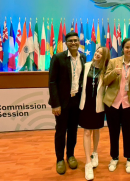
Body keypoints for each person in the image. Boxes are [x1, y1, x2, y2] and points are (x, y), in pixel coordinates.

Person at [48, 32, 86, 175]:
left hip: (76, 101)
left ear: (79, 42)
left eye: (76, 40)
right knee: (60, 131)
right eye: (70, 41)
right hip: (62, 103)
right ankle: (59, 159)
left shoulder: (83, 57)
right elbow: (52, 82)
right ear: (66, 43)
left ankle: (70, 155)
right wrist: (55, 104)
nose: (73, 43)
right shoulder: (58, 58)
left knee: (73, 131)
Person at [103, 38, 130, 174]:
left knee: (128, 132)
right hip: (112, 104)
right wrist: (115, 72)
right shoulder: (114, 62)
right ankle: (114, 157)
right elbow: (105, 81)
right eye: (127, 47)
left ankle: (129, 158)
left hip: (127, 105)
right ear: (123, 48)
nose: (129, 50)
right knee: (113, 132)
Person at [79, 47, 110, 180]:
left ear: (105, 57)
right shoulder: (85, 66)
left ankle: (95, 153)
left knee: (96, 130)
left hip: (98, 105)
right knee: (87, 132)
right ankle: (87, 163)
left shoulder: (105, 70)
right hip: (86, 104)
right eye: (97, 52)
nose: (97, 54)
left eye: (101, 54)